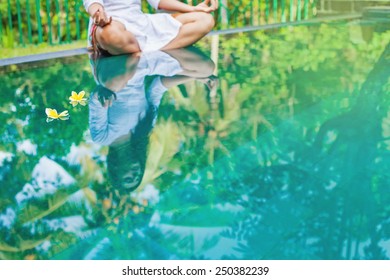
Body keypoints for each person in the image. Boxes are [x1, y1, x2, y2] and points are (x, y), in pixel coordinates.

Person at [89, 48, 217, 195]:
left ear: (116, 169)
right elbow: (157, 88)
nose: (135, 174)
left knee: (116, 83)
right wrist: (196, 77)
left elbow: (94, 101)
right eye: (138, 177)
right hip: (141, 68)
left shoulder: (102, 137)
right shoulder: (144, 130)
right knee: (207, 68)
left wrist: (102, 95)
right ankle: (151, 47)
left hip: (111, 73)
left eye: (129, 178)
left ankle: (141, 50)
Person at [83, 0, 218, 55]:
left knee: (205, 20)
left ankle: (146, 52)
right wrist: (98, 13)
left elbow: (158, 1)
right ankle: (144, 49)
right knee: (111, 34)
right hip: (111, 23)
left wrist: (192, 8)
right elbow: (92, 3)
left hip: (140, 23)